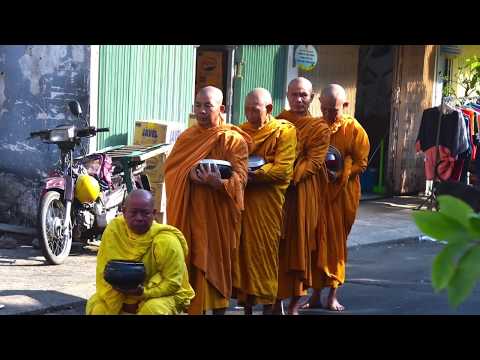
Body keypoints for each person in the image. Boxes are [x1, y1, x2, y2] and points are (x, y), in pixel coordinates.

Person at [164, 86, 251, 315]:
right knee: (191, 262)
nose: (202, 111)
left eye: (208, 106)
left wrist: (218, 184)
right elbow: (172, 171)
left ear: (221, 108)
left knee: (217, 266)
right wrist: (190, 175)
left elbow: (241, 179)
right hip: (191, 212)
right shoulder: (187, 137)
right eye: (198, 106)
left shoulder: (232, 140)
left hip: (218, 217)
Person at [304, 84, 370, 311]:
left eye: (334, 110)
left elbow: (362, 162)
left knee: (335, 246)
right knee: (314, 244)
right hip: (318, 193)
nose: (329, 115)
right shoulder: (314, 126)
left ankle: (332, 295)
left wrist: (342, 172)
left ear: (345, 105)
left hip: (342, 194)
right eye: (324, 109)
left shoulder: (354, 129)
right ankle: (314, 295)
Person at [233, 88, 297, 315]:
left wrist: (255, 174)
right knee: (243, 253)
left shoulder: (284, 131)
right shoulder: (239, 131)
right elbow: (232, 161)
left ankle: (270, 304)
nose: (250, 114)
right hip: (244, 203)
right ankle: (247, 304)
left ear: (269, 109)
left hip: (268, 205)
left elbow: (283, 170)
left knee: (265, 253)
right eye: (247, 109)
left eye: (255, 110)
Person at [85, 189, 195, 315]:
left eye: (145, 213)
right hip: (120, 293)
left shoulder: (166, 240)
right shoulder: (115, 230)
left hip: (159, 294)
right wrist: (124, 303)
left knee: (153, 310)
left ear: (154, 214)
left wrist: (143, 293)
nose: (139, 218)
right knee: (99, 309)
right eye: (134, 213)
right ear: (124, 212)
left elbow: (173, 283)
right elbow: (103, 271)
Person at [274, 78, 331, 314]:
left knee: (300, 247)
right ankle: (275, 302)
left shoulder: (319, 128)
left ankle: (295, 304)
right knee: (276, 247)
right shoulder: (277, 123)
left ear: (312, 97)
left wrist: (288, 176)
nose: (299, 100)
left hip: (303, 193)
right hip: (277, 194)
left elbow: (314, 161)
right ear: (287, 95)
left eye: (304, 95)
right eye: (295, 94)